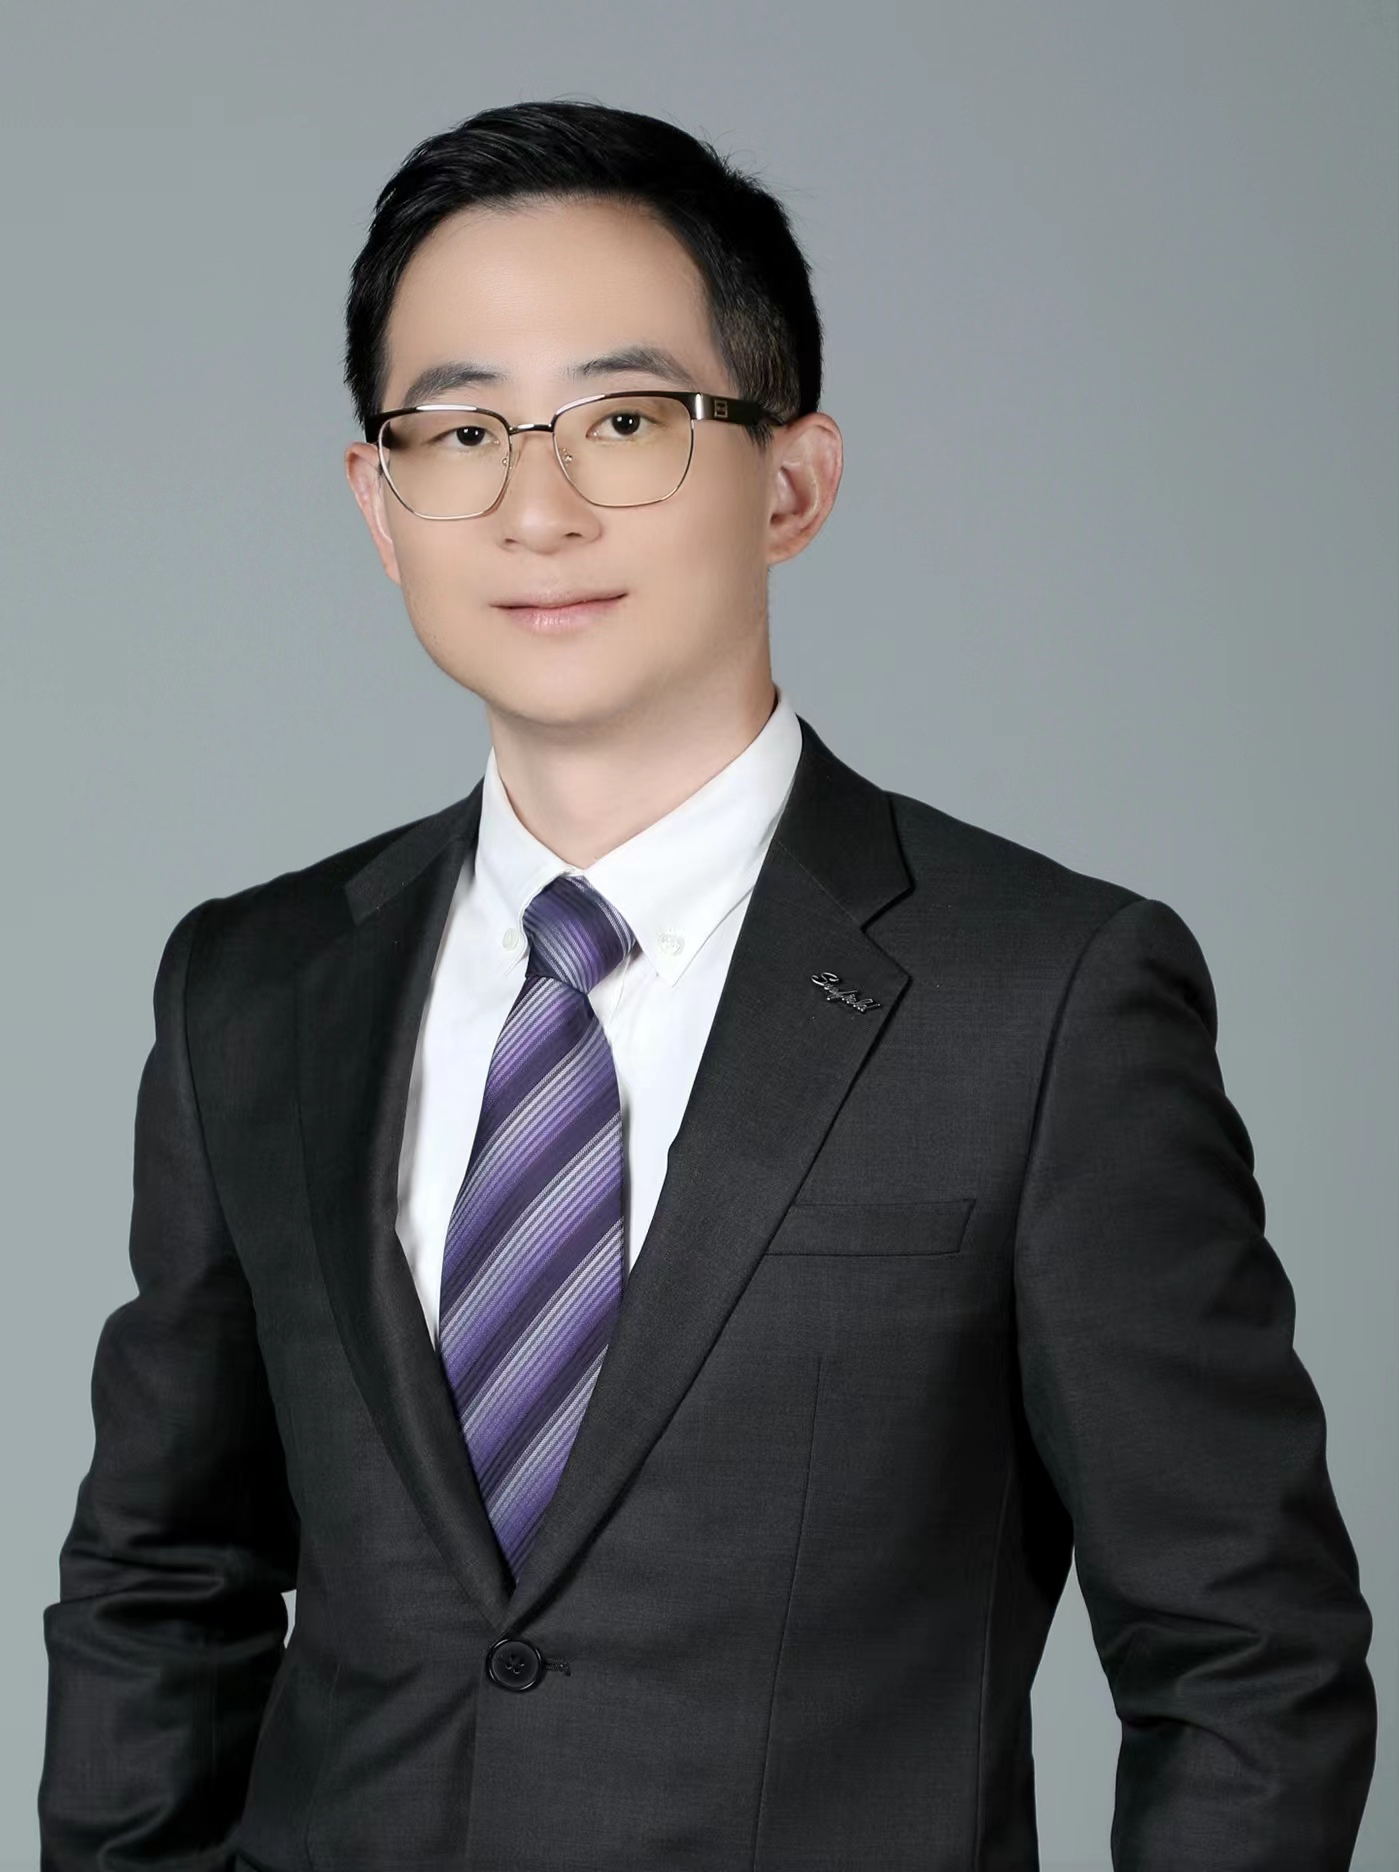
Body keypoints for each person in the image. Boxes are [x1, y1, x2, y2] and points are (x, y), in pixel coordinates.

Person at [38, 98, 1375, 1871]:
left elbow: (1251, 1661)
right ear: (379, 502)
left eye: (627, 421)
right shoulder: (254, 987)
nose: (536, 508)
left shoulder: (1045, 999)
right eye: (460, 432)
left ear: (792, 482)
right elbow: (162, 1584)